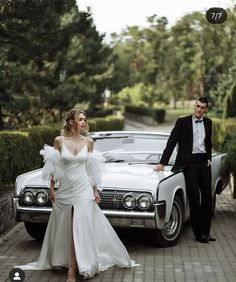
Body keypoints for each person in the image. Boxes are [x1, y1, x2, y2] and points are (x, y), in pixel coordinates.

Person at [16, 109, 136, 281]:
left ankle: (73, 269)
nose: (83, 122)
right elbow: (53, 167)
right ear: (71, 121)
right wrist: (51, 188)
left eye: (85, 119)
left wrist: (95, 191)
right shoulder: (59, 141)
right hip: (65, 189)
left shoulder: (89, 142)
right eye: (80, 119)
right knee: (66, 227)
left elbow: (92, 168)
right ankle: (71, 261)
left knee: (76, 227)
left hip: (83, 190)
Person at [154, 97, 216, 244]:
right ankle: (198, 234)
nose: (199, 109)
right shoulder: (182, 122)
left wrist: (209, 158)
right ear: (194, 106)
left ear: (206, 110)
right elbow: (172, 141)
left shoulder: (208, 122)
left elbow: (208, 142)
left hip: (204, 163)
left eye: (202, 107)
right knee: (195, 199)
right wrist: (163, 162)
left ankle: (206, 232)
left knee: (208, 198)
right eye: (197, 106)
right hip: (189, 165)